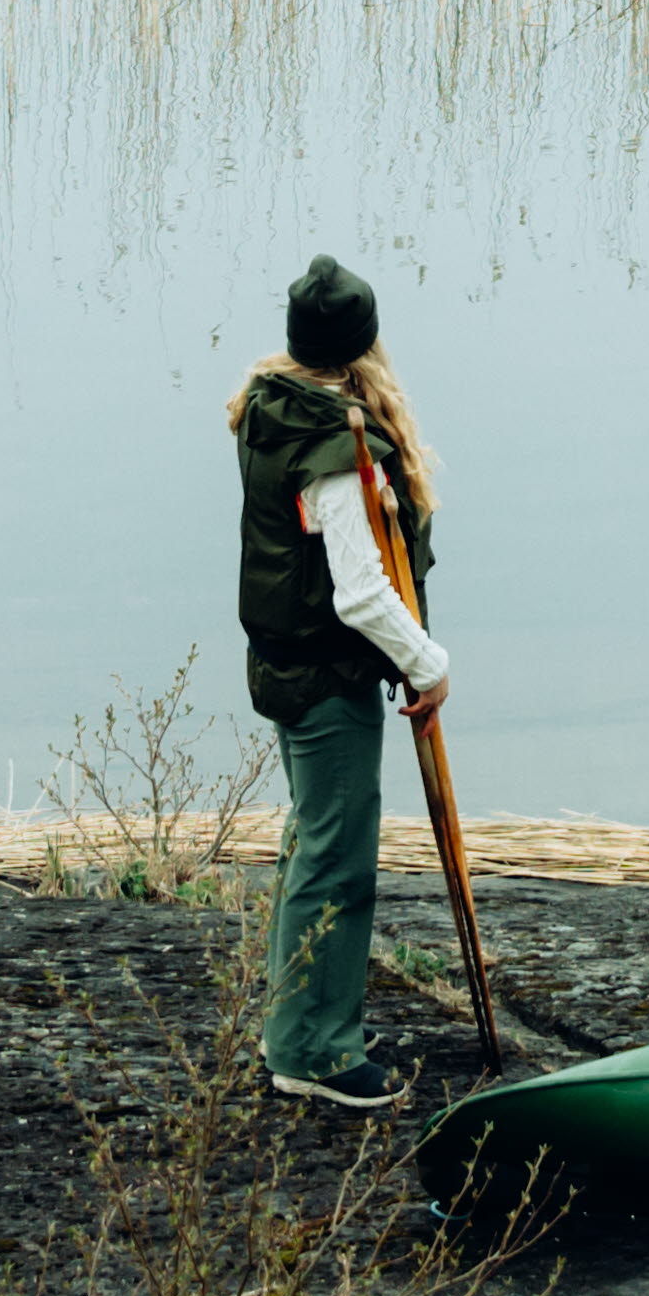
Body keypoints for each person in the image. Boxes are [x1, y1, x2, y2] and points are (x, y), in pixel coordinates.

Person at [228, 254, 450, 1111]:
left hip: (287, 665)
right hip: (325, 677)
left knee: (310, 842)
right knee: (336, 858)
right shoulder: (332, 449)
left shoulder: (271, 408)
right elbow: (359, 592)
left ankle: (296, 1026)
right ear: (363, 345)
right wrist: (427, 664)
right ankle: (314, 1054)